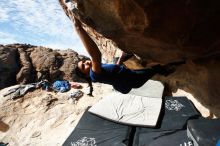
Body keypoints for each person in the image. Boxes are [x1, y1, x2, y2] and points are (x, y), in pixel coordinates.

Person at [74, 17, 175, 94]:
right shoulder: (94, 74)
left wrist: (119, 61)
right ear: (85, 74)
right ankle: (163, 70)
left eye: (83, 62)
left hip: (123, 80)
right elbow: (96, 55)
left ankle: (156, 69)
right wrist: (79, 28)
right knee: (153, 70)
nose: (86, 62)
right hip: (130, 81)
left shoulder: (96, 70)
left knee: (118, 58)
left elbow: (111, 73)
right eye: (83, 66)